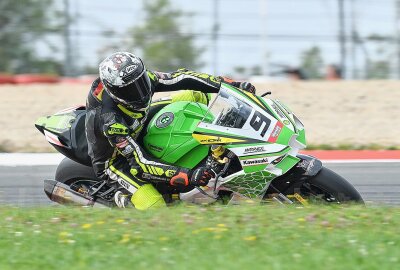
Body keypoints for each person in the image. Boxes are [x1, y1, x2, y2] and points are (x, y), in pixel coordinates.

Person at [85, 51, 256, 210]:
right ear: (114, 92)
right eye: (131, 90)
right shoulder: (110, 121)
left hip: (139, 122)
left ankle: (222, 132)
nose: (141, 92)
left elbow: (182, 77)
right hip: (117, 160)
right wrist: (188, 175)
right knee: (155, 206)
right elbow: (140, 163)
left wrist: (230, 85)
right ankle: (121, 199)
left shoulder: (140, 78)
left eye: (141, 82)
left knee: (194, 94)